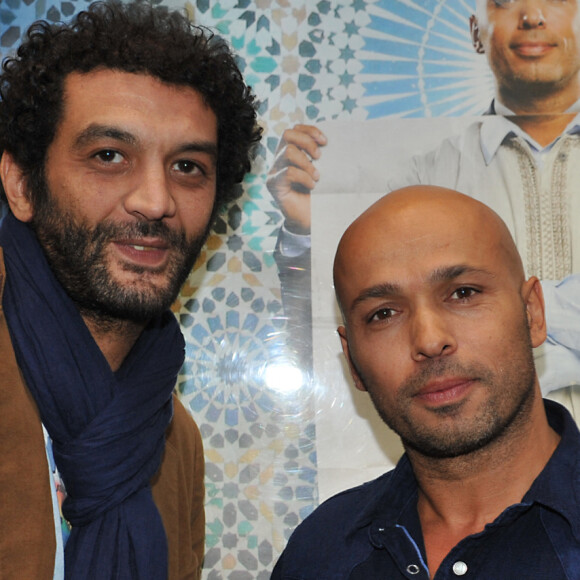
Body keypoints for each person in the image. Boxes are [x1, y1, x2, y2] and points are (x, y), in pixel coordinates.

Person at [0, 1, 261, 578]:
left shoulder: (172, 437)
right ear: (21, 184)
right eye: (110, 156)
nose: (155, 200)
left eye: (188, 166)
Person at [267, 0, 580, 395]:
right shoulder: (423, 176)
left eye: (555, 0)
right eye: (503, 2)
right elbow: (344, 331)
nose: (532, 17)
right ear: (475, 31)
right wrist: (309, 233)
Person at [271, 186, 580, 579]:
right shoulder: (319, 554)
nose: (430, 341)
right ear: (352, 361)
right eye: (383, 314)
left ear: (533, 313)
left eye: (463, 293)